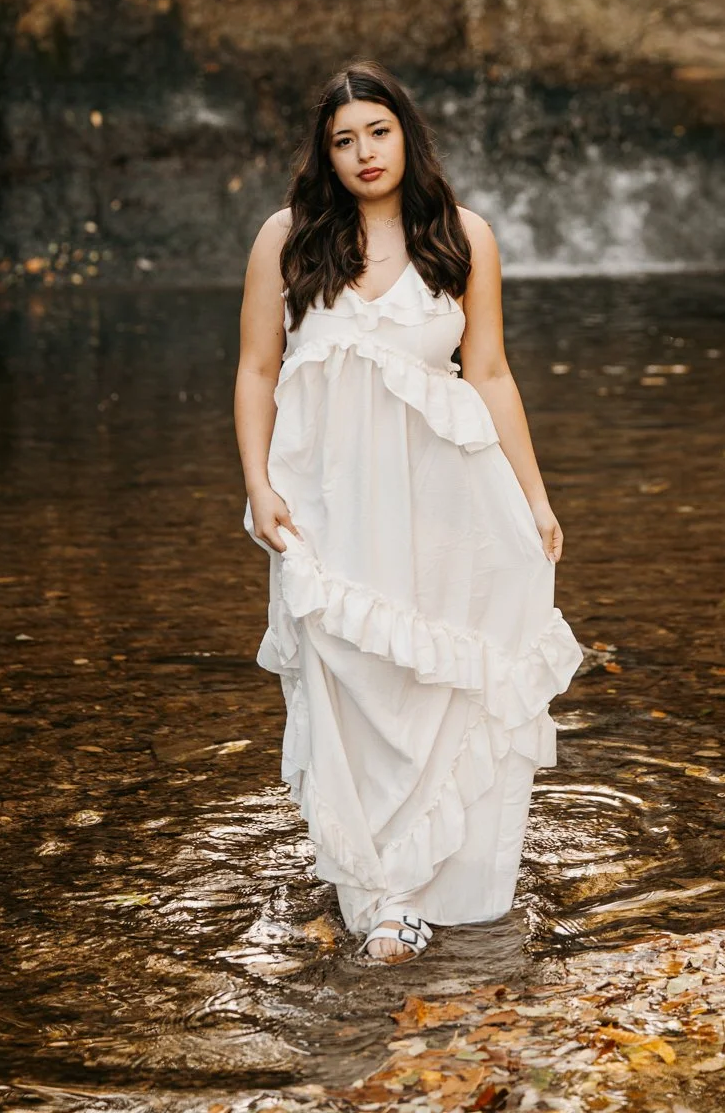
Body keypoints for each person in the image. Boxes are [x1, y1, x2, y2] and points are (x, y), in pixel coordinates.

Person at [235, 60, 584, 963]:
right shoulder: (287, 238)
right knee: (347, 686)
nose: (362, 153)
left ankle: (452, 886)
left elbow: (492, 374)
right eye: (343, 140)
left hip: (447, 510)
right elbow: (255, 373)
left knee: (441, 685)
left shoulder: (462, 236)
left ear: (406, 134)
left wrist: (535, 500)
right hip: (327, 510)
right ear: (325, 152)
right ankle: (381, 893)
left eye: (377, 132)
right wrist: (259, 488)